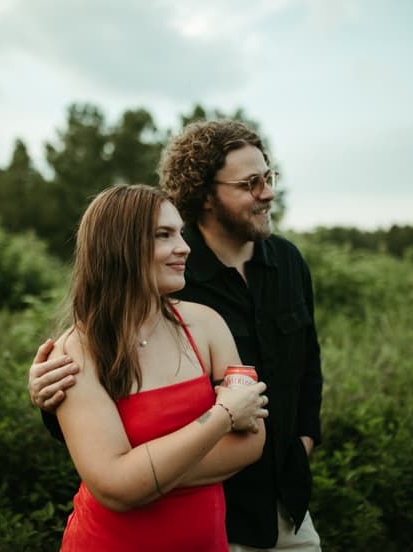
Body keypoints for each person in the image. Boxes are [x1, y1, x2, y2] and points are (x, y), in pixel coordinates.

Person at [30, 119, 323, 550]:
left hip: (282, 498)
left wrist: (303, 442)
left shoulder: (277, 269)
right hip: (217, 514)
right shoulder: (173, 284)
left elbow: (305, 370)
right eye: (250, 182)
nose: (268, 192)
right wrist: (131, 476)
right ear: (206, 194)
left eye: (269, 177)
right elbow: (111, 473)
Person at [48, 183, 268, 551]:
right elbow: (115, 490)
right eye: (163, 235)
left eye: (180, 233)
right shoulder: (75, 353)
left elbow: (252, 444)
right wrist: (222, 416)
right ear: (119, 246)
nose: (184, 247)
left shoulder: (208, 325)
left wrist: (141, 477)